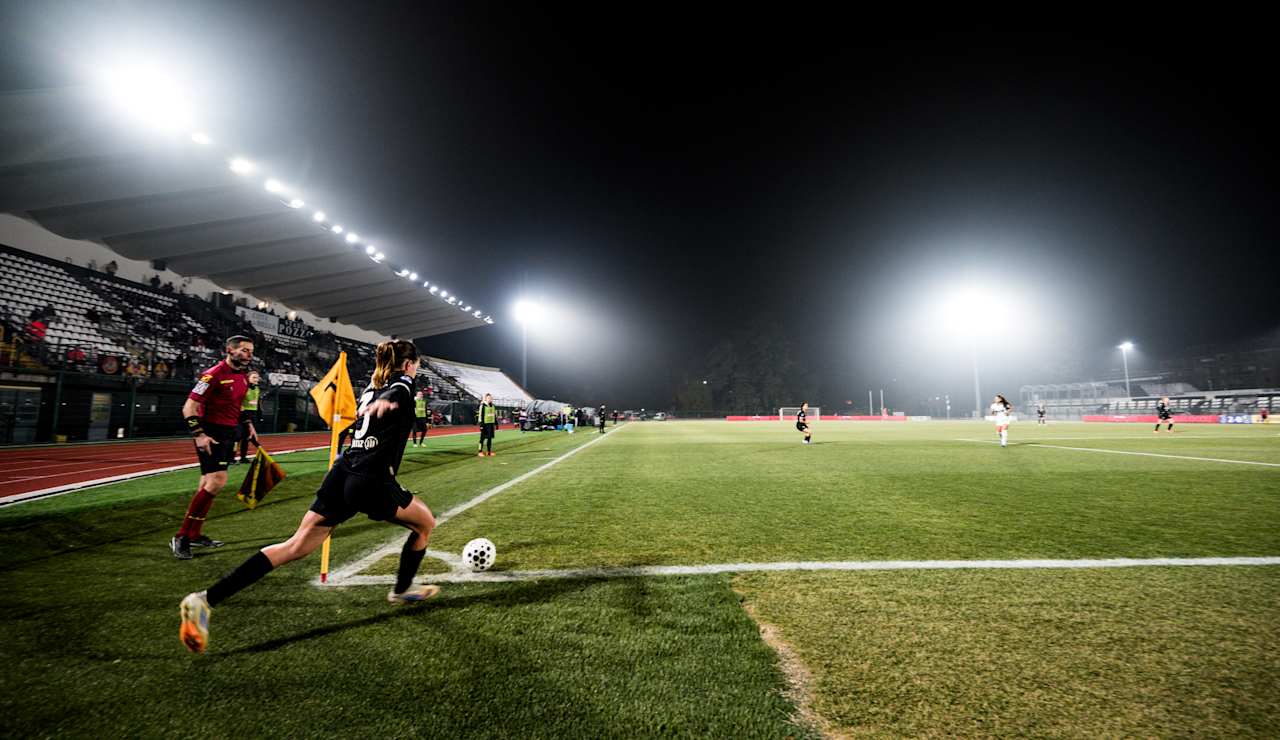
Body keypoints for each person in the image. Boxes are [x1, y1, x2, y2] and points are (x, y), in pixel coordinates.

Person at [179, 339, 439, 654]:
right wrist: (391, 399)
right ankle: (402, 589)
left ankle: (205, 600)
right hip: (371, 480)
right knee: (425, 524)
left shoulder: (372, 387)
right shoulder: (402, 386)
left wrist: (380, 402)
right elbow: (397, 393)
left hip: (342, 472)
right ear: (409, 365)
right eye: (416, 366)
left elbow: (381, 400)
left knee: (295, 545)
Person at [170, 336, 256, 560]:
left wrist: (248, 424)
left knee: (207, 483)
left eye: (250, 351)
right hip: (211, 434)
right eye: (244, 350)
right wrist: (199, 435)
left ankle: (194, 534)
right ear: (230, 350)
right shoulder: (212, 375)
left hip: (229, 433)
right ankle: (181, 536)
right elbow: (189, 407)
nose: (248, 355)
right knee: (217, 481)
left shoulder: (243, 376)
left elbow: (237, 405)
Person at [236, 370, 262, 464]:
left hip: (253, 413)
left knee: (247, 437)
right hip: (242, 414)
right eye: (254, 377)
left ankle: (243, 458)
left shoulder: (257, 389)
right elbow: (239, 402)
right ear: (248, 378)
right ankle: (230, 457)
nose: (256, 379)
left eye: (257, 377)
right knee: (238, 436)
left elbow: (258, 403)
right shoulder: (244, 388)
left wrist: (260, 415)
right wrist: (243, 414)